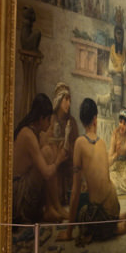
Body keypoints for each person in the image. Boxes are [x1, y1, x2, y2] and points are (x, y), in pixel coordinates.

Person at [64, 99, 126, 246]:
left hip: (104, 211)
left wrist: (68, 232)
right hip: (114, 205)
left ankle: (120, 227)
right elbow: (103, 171)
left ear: (82, 120)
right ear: (95, 119)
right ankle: (121, 217)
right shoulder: (101, 142)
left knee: (82, 216)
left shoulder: (79, 143)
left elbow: (75, 192)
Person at [12, 93, 67, 224]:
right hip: (19, 197)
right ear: (41, 118)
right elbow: (47, 173)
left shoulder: (33, 131)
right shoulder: (28, 135)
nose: (49, 123)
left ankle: (52, 208)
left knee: (49, 150)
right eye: (48, 120)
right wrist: (58, 160)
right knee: (48, 153)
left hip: (23, 188)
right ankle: (54, 208)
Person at [41, 82, 78, 219]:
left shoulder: (72, 122)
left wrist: (67, 146)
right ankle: (53, 207)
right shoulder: (50, 120)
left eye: (70, 100)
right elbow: (45, 144)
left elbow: (76, 147)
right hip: (54, 165)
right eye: (65, 99)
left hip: (68, 165)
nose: (68, 103)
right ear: (58, 100)